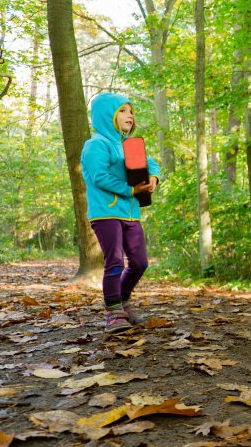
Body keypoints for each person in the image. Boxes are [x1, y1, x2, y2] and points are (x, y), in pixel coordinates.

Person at [81, 93, 160, 334]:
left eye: (131, 111)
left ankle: (123, 302)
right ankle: (113, 313)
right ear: (108, 115)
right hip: (106, 212)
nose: (130, 116)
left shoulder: (130, 145)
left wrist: (154, 177)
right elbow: (99, 176)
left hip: (130, 213)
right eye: (123, 111)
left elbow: (151, 163)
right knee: (114, 261)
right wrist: (131, 189)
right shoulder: (97, 144)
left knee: (139, 263)